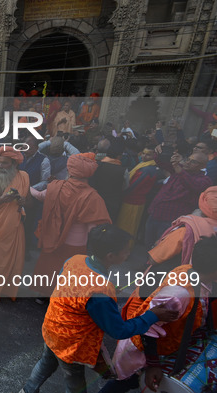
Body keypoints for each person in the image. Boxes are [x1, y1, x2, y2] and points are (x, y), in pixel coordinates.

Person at [20, 224, 178, 393]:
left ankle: (28, 390)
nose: (128, 254)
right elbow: (118, 330)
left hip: (52, 327)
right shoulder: (100, 289)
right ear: (111, 256)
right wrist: (152, 315)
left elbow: (66, 284)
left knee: (46, 363)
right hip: (71, 342)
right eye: (125, 251)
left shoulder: (75, 259)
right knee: (75, 383)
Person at [102, 235, 217, 393]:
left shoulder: (191, 271)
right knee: (123, 382)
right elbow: (148, 328)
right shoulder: (179, 295)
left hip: (162, 346)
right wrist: (153, 365)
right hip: (142, 351)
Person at [30, 153, 111, 297]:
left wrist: (25, 185)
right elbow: (94, 229)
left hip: (52, 236)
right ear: (89, 175)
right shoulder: (93, 197)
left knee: (49, 267)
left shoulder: (56, 187)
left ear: (69, 171)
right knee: (69, 272)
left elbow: (39, 195)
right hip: (76, 244)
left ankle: (42, 296)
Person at [0, 146, 30, 306]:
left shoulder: (23, 176)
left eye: (5, 163)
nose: (0, 166)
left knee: (14, 262)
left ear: (15, 164)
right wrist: (3, 199)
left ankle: (8, 290)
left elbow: (28, 200)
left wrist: (23, 201)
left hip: (15, 225)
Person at [145, 150, 211, 248]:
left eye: (193, 161)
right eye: (188, 159)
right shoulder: (178, 171)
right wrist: (160, 151)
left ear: (203, 166)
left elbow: (194, 185)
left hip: (170, 220)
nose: (188, 162)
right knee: (148, 245)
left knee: (160, 249)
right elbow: (161, 162)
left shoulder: (204, 180)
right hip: (155, 213)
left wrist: (180, 171)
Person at [116, 147, 162, 241]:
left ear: (154, 156)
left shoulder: (147, 170)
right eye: (143, 153)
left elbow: (134, 186)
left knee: (127, 225)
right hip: (137, 200)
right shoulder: (145, 166)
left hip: (133, 201)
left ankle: (123, 246)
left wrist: (123, 193)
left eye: (148, 154)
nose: (144, 156)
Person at [89, 138, 129, 222]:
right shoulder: (123, 171)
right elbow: (125, 187)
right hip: (111, 205)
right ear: (119, 156)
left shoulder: (96, 165)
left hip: (94, 202)